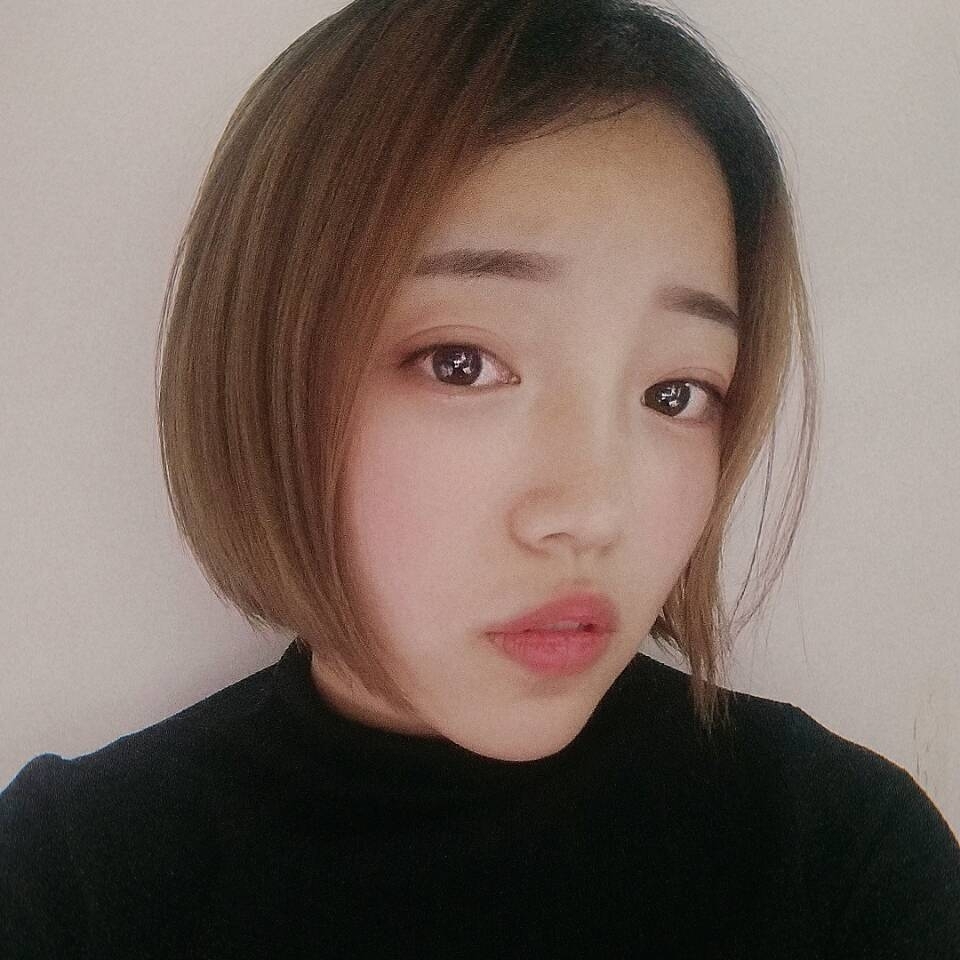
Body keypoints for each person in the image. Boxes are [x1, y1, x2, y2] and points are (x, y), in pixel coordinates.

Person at [2, 0, 958, 956]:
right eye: (461, 364)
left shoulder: (840, 856)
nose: (593, 512)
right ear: (261, 368)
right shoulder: (68, 884)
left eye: (675, 393)